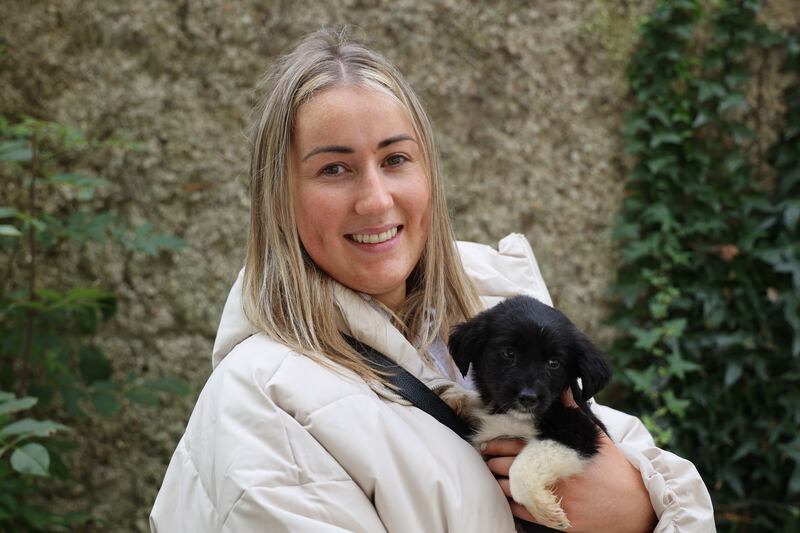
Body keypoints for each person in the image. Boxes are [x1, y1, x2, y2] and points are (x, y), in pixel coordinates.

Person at [150, 28, 715, 532]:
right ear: (279, 197)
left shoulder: (497, 310)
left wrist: (638, 510)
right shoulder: (260, 401)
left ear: (429, 175)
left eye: (395, 159)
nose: (375, 199)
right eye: (334, 168)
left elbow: (666, 486)